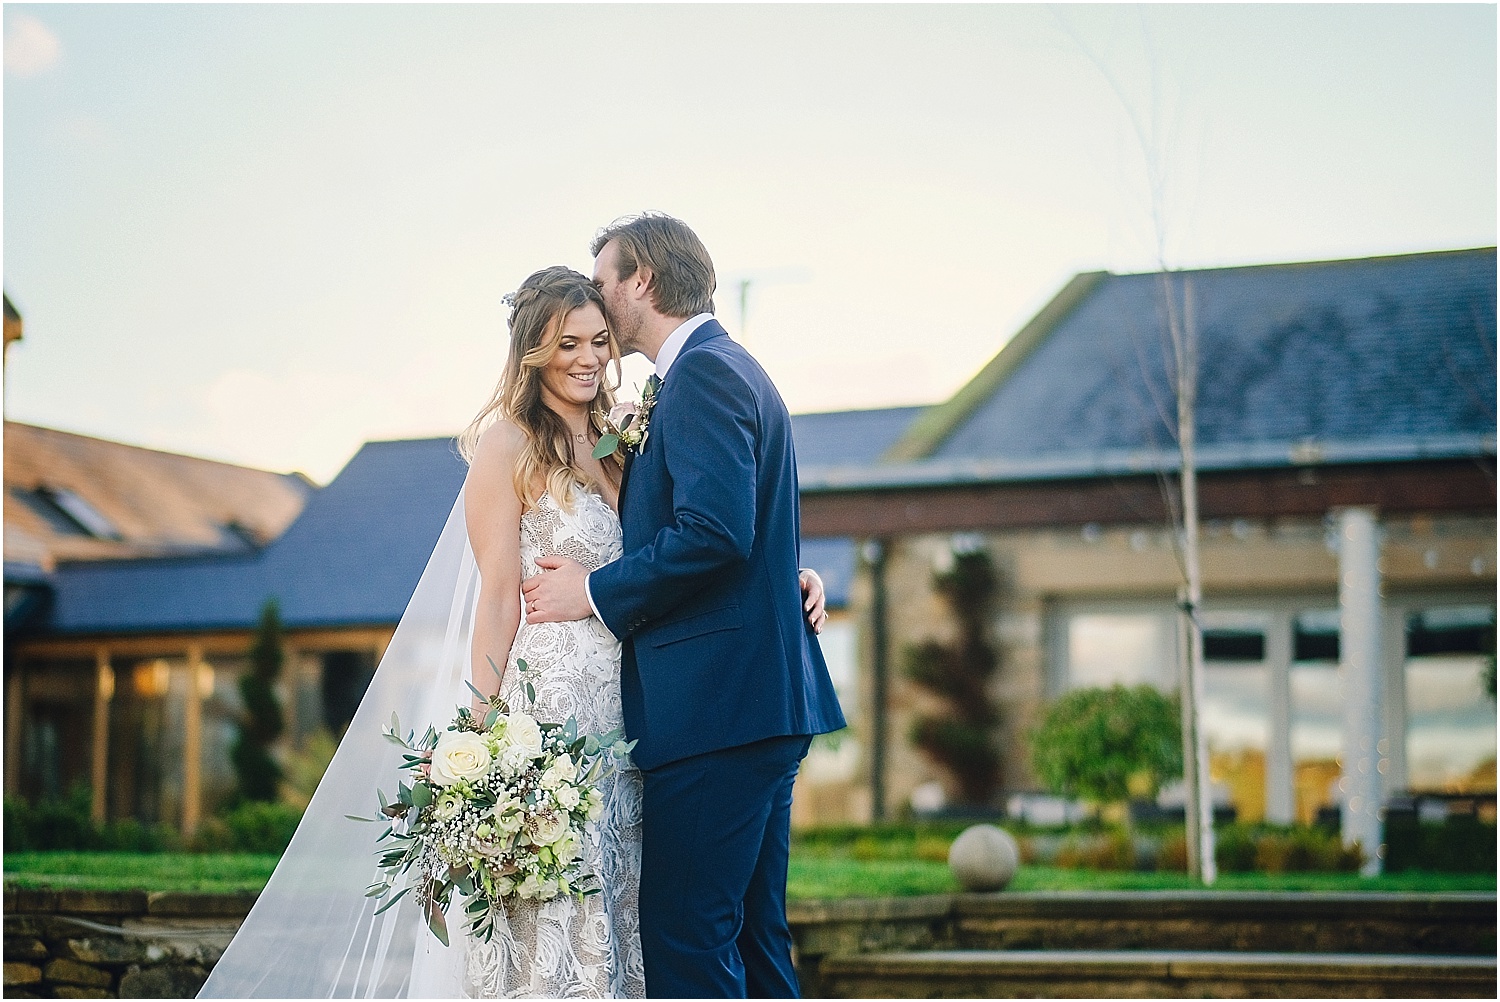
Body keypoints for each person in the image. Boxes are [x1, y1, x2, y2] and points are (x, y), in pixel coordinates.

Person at [199, 260, 830, 999]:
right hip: (551, 703)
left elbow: (688, 540)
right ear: (533, 353)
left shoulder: (619, 442)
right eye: (568, 345)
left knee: (627, 905)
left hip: (636, 713)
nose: (590, 358)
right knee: (554, 910)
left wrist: (780, 583)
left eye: (599, 341)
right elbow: (498, 598)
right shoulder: (505, 448)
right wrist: (479, 730)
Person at [521, 213, 847, 998]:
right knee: (755, 937)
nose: (595, 305)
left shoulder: (702, 373)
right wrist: (788, 578)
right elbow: (740, 526)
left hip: (717, 710)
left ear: (641, 281)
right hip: (756, 702)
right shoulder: (725, 369)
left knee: (686, 938)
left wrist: (592, 589)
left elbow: (714, 531)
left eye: (603, 283)